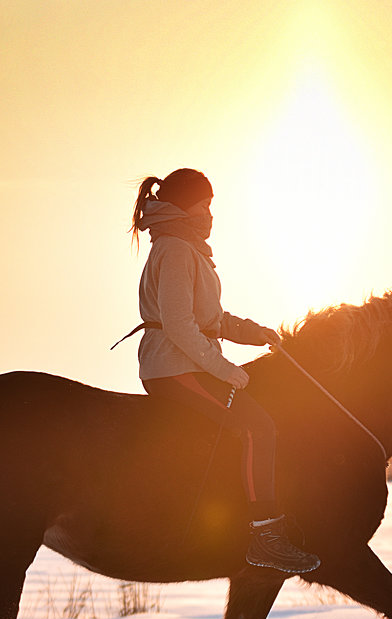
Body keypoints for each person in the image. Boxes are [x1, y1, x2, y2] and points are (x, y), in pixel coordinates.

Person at [126, 168, 320, 574]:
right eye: (205, 206)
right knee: (257, 428)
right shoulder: (177, 249)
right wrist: (224, 368)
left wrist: (258, 334)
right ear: (185, 207)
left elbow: (212, 318)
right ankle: (266, 536)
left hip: (183, 360)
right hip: (174, 366)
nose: (210, 215)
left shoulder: (186, 248)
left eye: (212, 206)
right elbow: (180, 325)